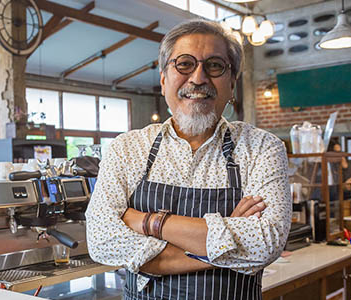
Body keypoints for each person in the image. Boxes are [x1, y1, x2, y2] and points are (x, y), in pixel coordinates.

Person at [85, 19, 292, 300]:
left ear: (232, 84)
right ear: (163, 80)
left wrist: (149, 223)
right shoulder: (127, 148)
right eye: (184, 64)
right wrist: (226, 246)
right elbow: (101, 242)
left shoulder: (263, 148)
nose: (198, 78)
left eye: (215, 65)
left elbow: (265, 244)